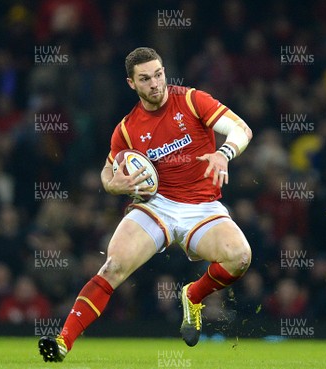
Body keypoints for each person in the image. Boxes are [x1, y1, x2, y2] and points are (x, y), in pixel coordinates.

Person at [38, 47, 253, 362]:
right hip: (157, 206)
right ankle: (61, 342)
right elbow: (108, 170)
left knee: (240, 258)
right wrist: (113, 184)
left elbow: (241, 129)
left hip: (203, 206)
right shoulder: (127, 129)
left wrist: (224, 153)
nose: (155, 83)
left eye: (158, 74)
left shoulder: (193, 100)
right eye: (145, 78)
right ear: (131, 84)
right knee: (114, 266)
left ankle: (193, 296)